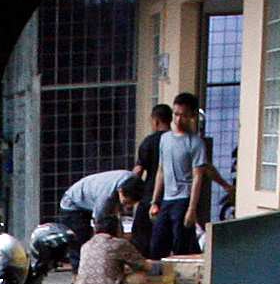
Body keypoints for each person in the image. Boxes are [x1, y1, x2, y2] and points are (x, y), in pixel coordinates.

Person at [149, 93, 225, 260]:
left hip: (184, 198)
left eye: (183, 115)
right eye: (176, 114)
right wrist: (155, 201)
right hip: (167, 198)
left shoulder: (195, 143)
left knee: (181, 243)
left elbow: (198, 176)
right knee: (157, 243)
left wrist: (191, 209)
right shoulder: (165, 139)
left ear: (191, 116)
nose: (178, 119)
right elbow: (161, 170)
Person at [69, 211, 154, 284]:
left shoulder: (86, 245)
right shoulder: (119, 244)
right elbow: (144, 265)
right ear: (118, 229)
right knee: (139, 275)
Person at [56, 168, 141, 260]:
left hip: (91, 199)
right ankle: (79, 268)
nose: (127, 206)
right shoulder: (106, 196)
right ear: (121, 191)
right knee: (80, 244)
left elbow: (116, 219)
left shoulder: (133, 181)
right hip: (73, 203)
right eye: (126, 202)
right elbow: (99, 222)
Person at [132, 104, 174, 226]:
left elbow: (138, 170)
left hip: (150, 194)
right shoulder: (177, 140)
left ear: (156, 121)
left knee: (141, 230)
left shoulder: (149, 142)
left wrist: (131, 188)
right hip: (172, 194)